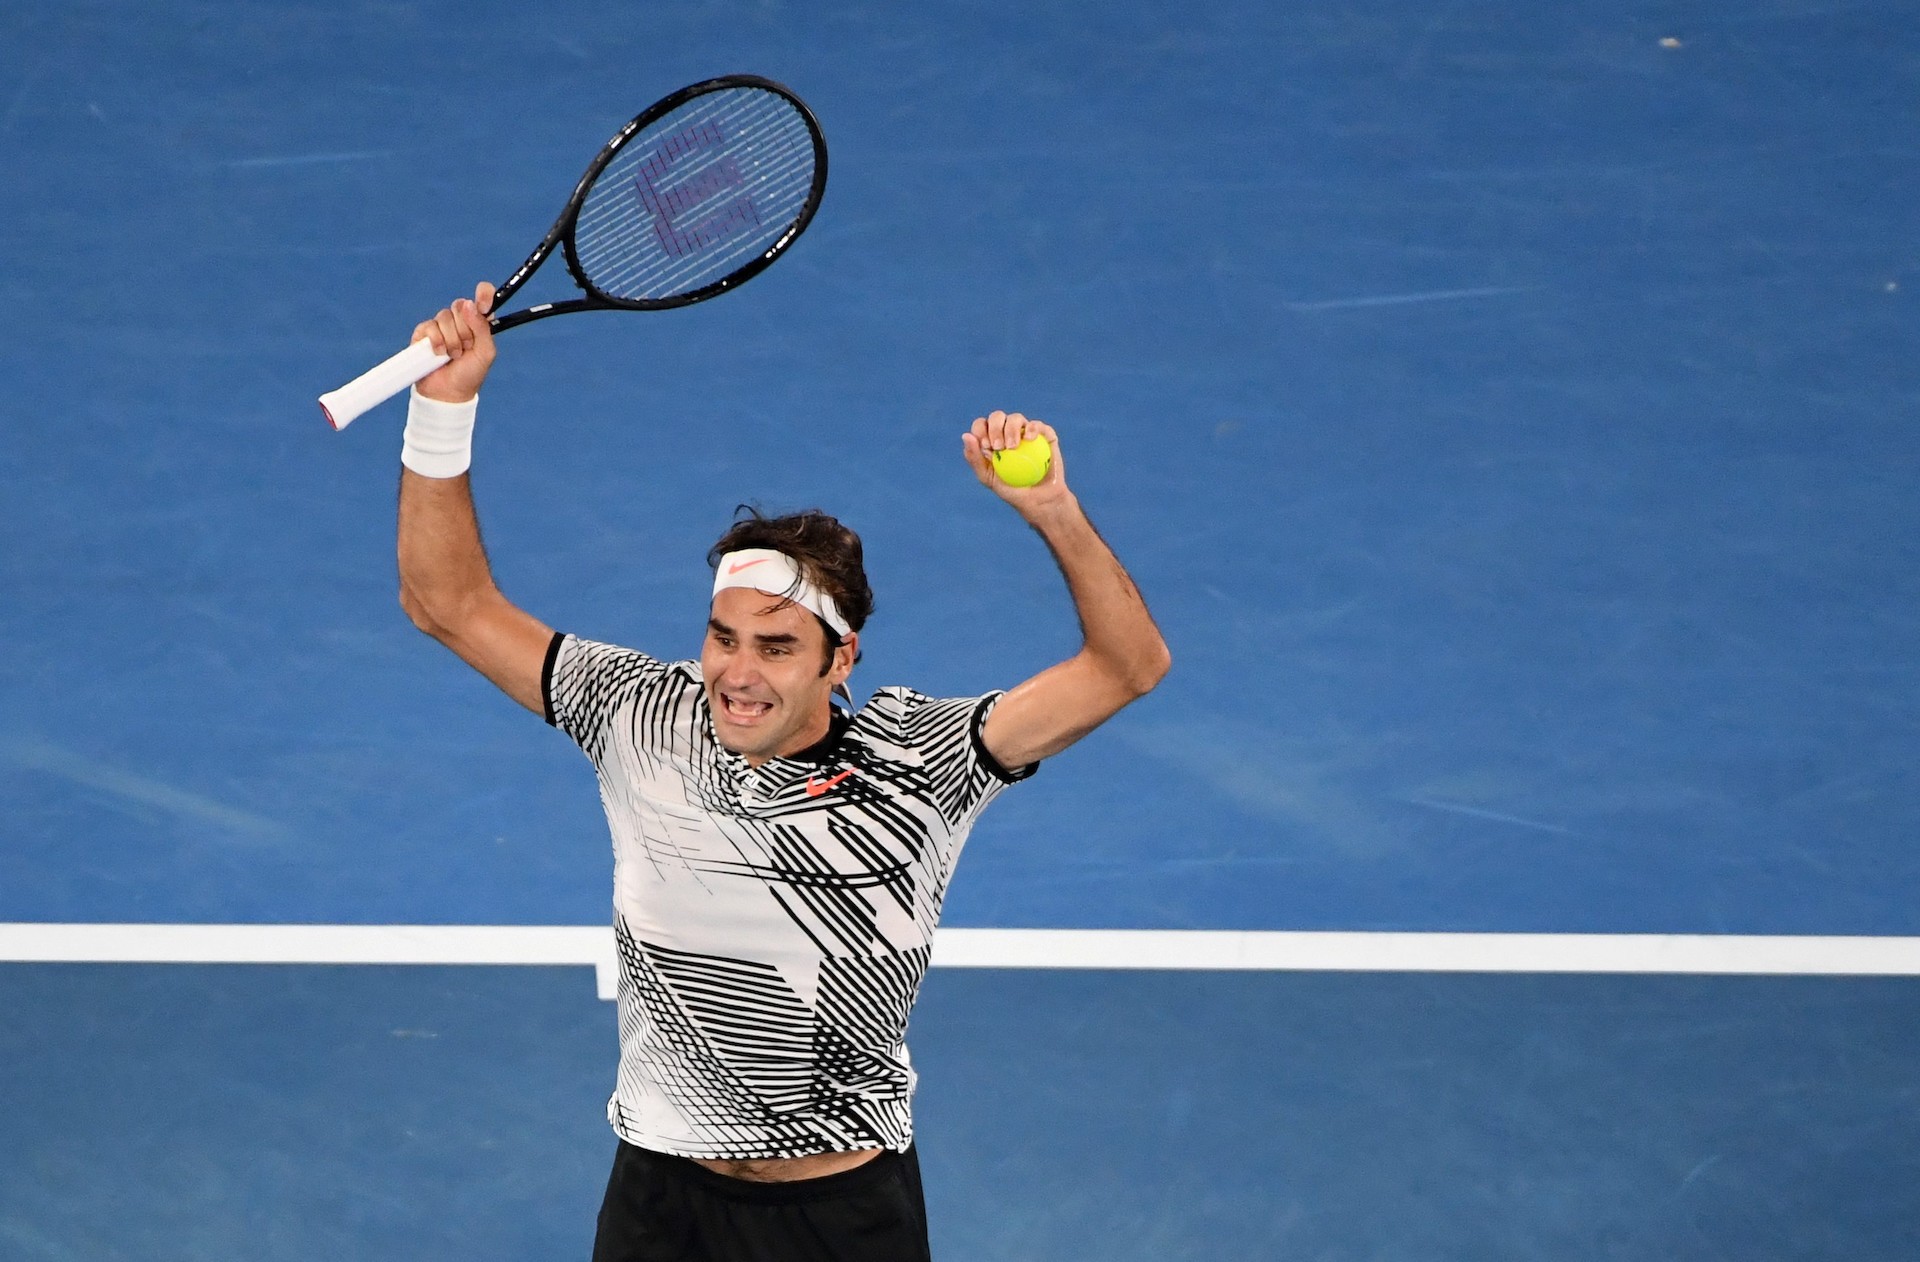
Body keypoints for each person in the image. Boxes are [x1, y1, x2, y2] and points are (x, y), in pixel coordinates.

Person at [393, 283, 1171, 1262]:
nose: (737, 673)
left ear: (840, 661)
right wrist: (444, 405)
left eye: (776, 647)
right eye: (723, 637)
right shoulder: (640, 711)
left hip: (839, 1218)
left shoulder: (921, 760)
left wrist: (1052, 508)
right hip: (660, 1202)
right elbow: (447, 601)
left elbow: (1129, 665)